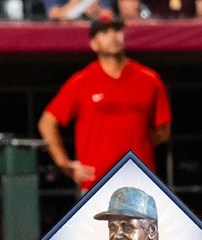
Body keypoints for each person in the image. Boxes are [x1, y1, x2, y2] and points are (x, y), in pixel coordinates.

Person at [38, 15, 172, 193]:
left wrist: (136, 144)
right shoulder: (82, 81)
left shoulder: (149, 79)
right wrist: (65, 164)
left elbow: (163, 131)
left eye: (116, 30)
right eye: (104, 32)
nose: (113, 36)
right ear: (94, 43)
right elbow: (47, 123)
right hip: (96, 185)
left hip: (139, 185)